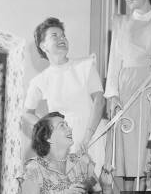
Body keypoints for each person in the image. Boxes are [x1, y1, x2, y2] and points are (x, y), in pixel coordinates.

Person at [105, 0, 151, 191]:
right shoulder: (121, 22)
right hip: (127, 88)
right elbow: (114, 61)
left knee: (150, 151)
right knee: (127, 153)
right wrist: (112, 94)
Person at [23, 17, 106, 174]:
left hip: (91, 134)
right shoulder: (40, 80)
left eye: (63, 35)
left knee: (95, 190)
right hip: (64, 141)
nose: (61, 39)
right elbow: (27, 113)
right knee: (68, 190)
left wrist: (87, 137)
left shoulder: (85, 65)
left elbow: (99, 101)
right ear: (43, 45)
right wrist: (48, 130)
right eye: (55, 35)